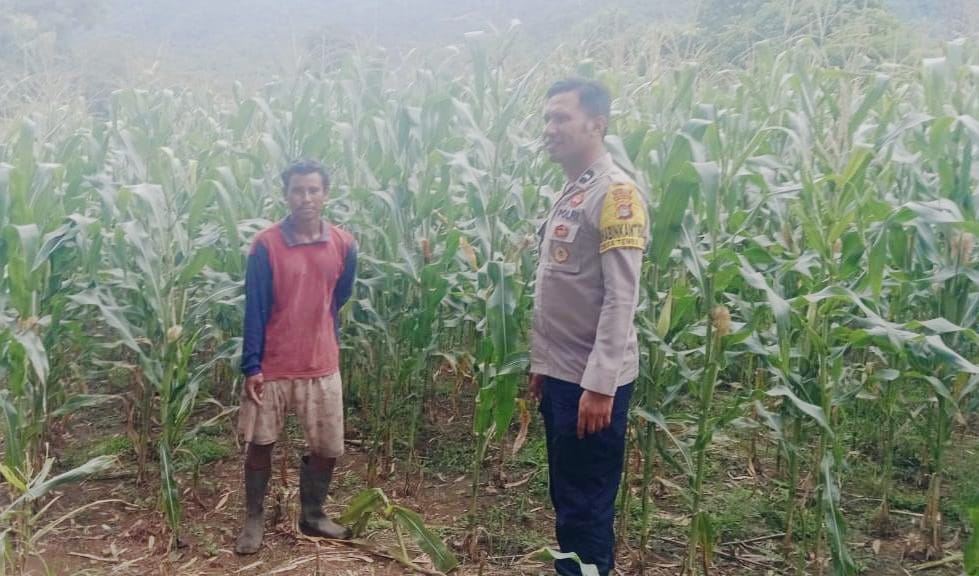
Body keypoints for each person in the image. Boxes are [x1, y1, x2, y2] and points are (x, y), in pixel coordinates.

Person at [528, 79, 648, 576]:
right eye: (547, 118)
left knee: (586, 502)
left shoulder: (615, 194)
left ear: (597, 125)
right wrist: (544, 364)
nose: (549, 128)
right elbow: (564, 286)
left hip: (590, 382)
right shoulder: (574, 190)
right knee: (568, 495)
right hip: (563, 373)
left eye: (561, 118)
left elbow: (621, 298)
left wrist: (600, 385)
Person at [235, 159, 358, 555]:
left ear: (325, 194)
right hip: (273, 365)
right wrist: (252, 366)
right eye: (298, 190)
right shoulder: (266, 245)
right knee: (260, 443)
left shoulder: (343, 243)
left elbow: (339, 296)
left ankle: (313, 514)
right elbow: (255, 308)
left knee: (327, 447)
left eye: (313, 190)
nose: (306, 198)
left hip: (321, 362)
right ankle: (254, 518)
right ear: (286, 195)